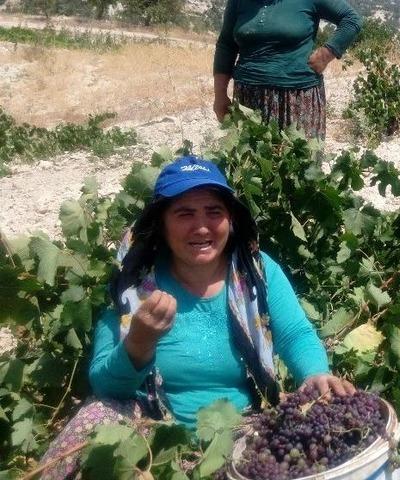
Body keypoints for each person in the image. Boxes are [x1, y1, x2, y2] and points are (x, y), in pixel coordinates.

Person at [38, 156, 354, 479]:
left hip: (238, 431)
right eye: (184, 213)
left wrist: (314, 373)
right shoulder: (135, 283)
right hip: (149, 431)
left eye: (214, 212)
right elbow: (103, 384)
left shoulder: (255, 272)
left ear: (230, 220)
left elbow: (295, 334)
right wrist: (138, 343)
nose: (201, 227)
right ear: (161, 223)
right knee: (94, 416)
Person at [213, 0, 362, 140]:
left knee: (299, 161)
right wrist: (220, 95)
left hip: (298, 98)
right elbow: (226, 45)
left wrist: (326, 54)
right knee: (250, 162)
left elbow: (351, 19)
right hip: (248, 100)